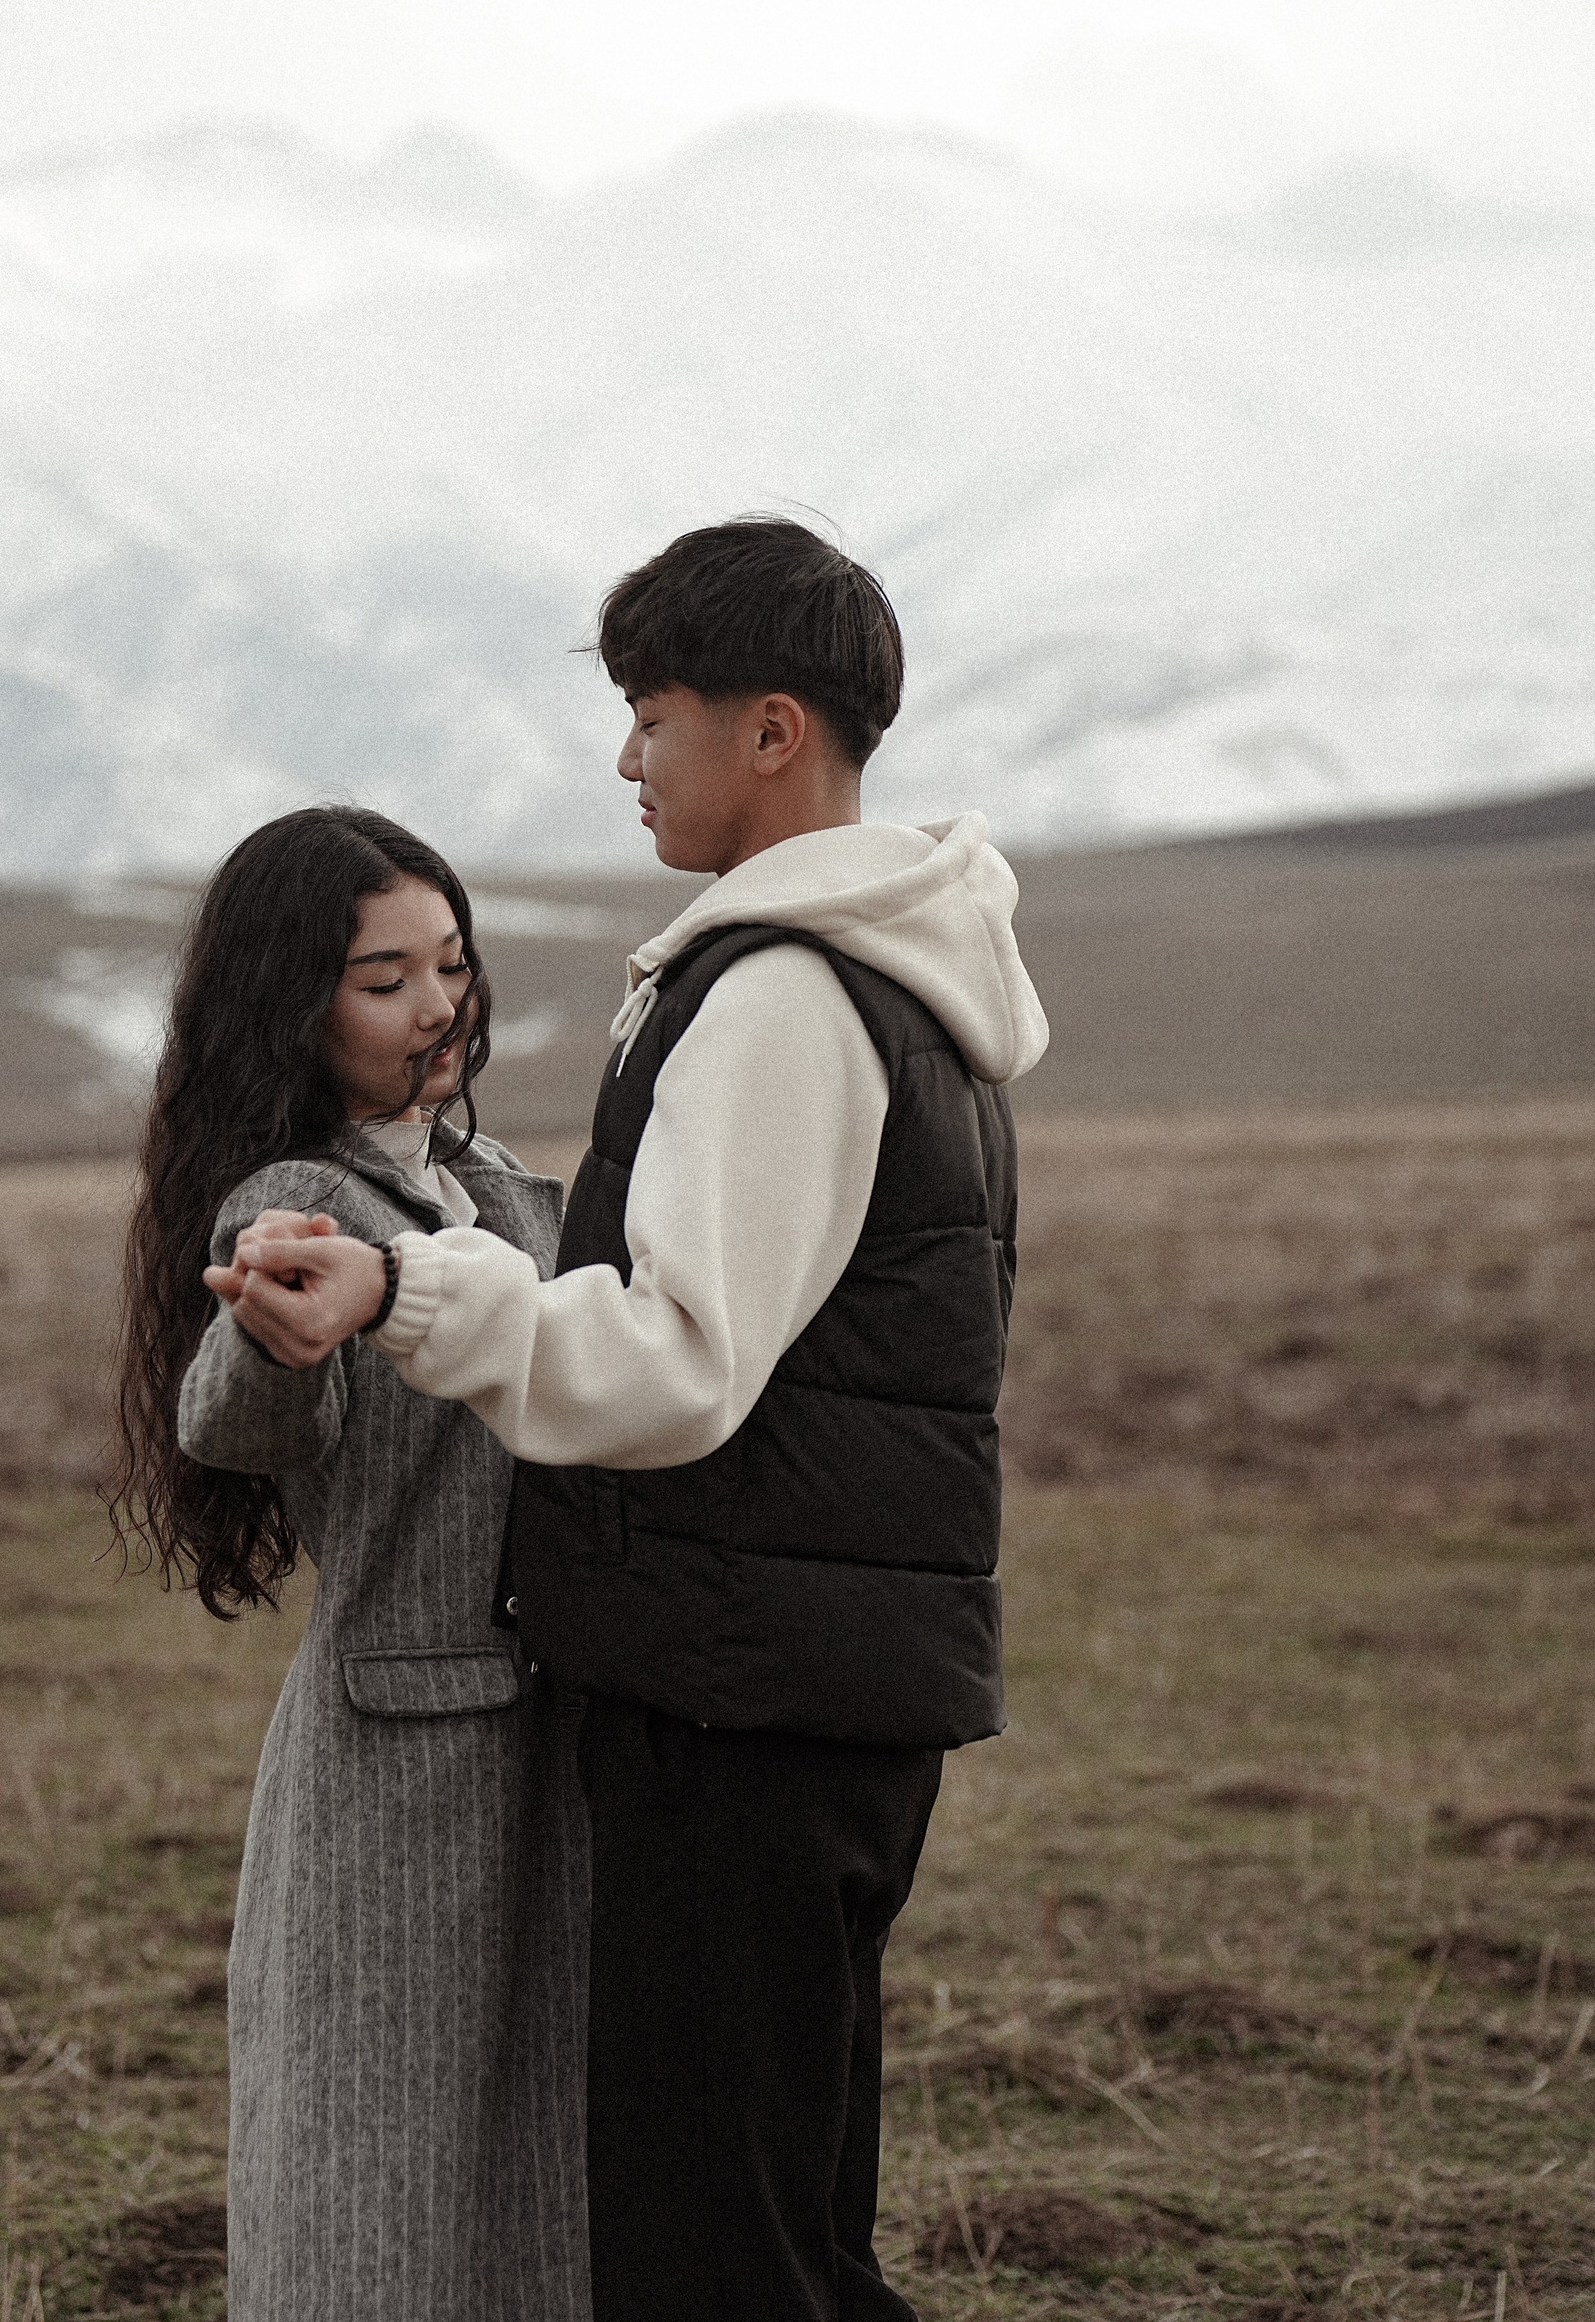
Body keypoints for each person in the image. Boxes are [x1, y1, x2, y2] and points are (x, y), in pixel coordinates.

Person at [223, 519, 1050, 2322]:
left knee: (713, 2255)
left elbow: (681, 1357)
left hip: (742, 1693)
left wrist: (408, 1292)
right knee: (790, 2232)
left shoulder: (783, 994)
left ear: (772, 731)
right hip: (825, 1677)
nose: (625, 760)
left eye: (653, 716)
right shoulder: (901, 984)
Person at [112, 806, 590, 2322]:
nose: (438, 1005)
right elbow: (237, 1419)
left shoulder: (496, 1182)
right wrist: (267, 1335)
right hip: (398, 1772)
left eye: (452, 963)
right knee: (370, 2183)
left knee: (542, 2176)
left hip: (563, 1737)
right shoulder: (289, 1205)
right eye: (385, 981)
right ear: (294, 1006)